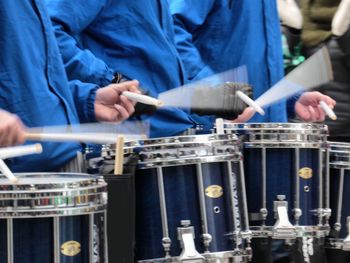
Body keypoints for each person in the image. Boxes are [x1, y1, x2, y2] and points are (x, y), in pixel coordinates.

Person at [45, 0, 251, 138]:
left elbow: (153, 67)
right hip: (127, 144)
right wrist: (111, 81)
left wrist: (203, 99)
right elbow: (49, 36)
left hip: (165, 135)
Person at [0, 0, 138, 172]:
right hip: (16, 172)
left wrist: (87, 101)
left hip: (60, 161)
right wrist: (109, 77)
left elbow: (33, 80)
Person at [170, 0, 335, 124]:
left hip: (263, 134)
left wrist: (288, 99)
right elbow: (170, 33)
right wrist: (215, 93)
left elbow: (257, 60)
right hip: (217, 132)